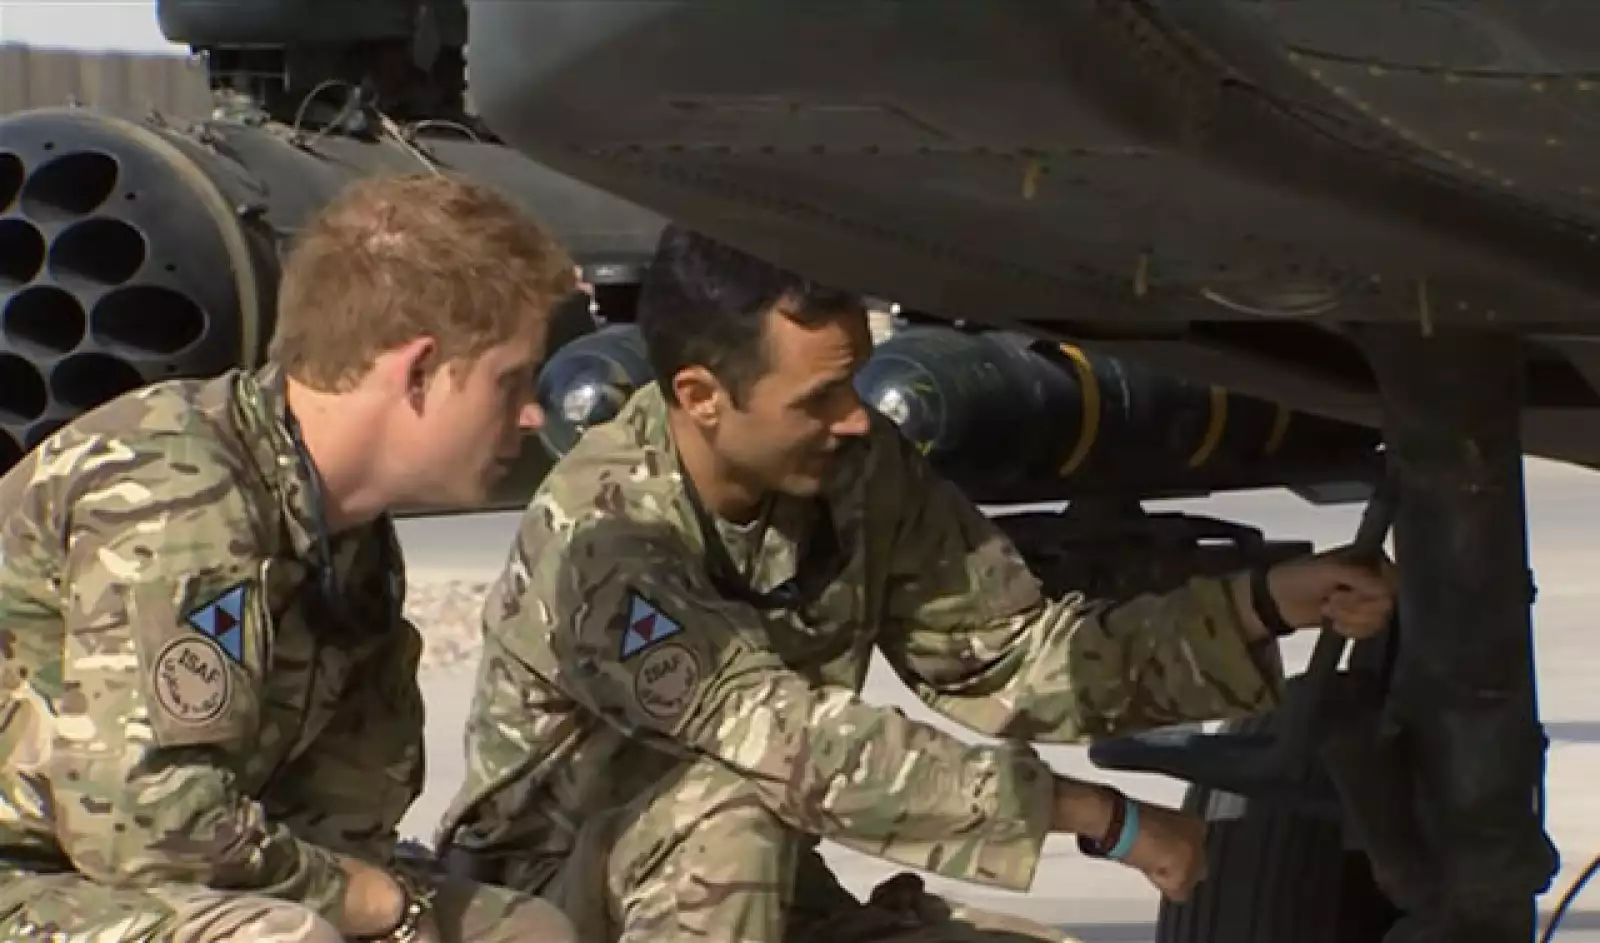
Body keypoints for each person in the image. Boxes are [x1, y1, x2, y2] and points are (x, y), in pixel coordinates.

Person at [433, 225, 1398, 942]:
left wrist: (1264, 602)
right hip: (551, 908)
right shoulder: (604, 533)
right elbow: (790, 744)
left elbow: (1020, 660)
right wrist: (1099, 816)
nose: (852, 420)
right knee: (722, 819)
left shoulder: (855, 469)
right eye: (817, 398)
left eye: (854, 385)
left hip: (755, 895)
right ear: (701, 398)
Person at [0, 172, 582, 942]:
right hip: (34, 877)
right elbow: (146, 825)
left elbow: (338, 814)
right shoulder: (178, 489)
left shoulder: (346, 539)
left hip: (160, 884)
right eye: (509, 381)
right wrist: (375, 903)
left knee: (523, 930)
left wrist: (380, 897)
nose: (531, 413)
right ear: (416, 371)